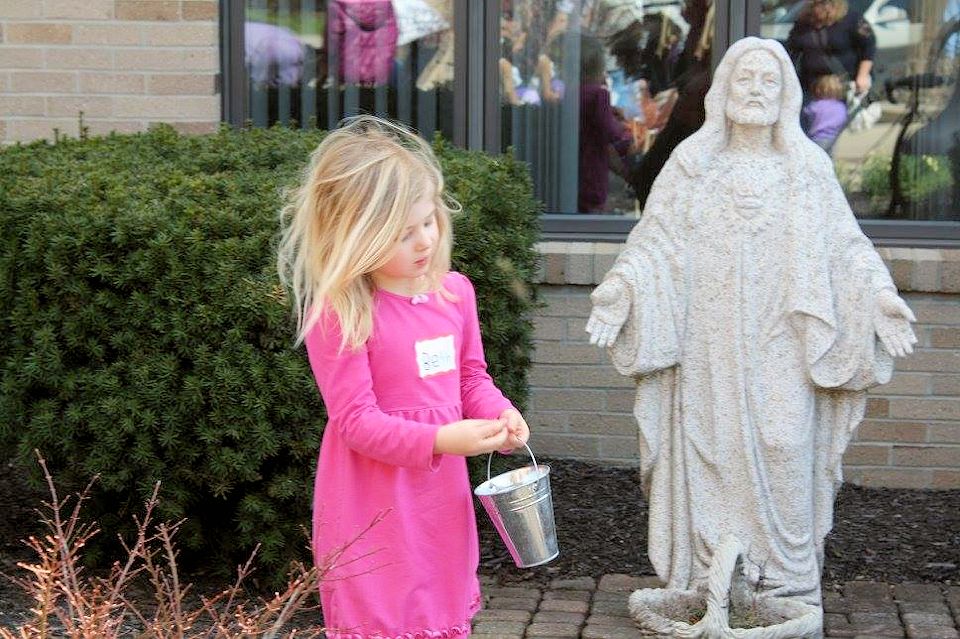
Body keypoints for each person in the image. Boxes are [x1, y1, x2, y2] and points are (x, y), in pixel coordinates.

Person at [586, 38, 916, 605]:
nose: (756, 91)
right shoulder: (693, 163)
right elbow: (654, 243)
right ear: (723, 91)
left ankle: (786, 579)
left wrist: (879, 297)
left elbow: (845, 248)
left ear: (786, 93)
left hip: (782, 336)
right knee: (708, 450)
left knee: (784, 442)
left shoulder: (806, 168)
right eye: (745, 79)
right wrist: (620, 290)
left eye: (769, 81)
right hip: (708, 341)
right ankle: (710, 578)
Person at [276, 116, 530, 638]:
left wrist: (499, 414)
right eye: (402, 233)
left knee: (439, 615)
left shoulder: (454, 294)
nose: (423, 241)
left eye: (428, 222)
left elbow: (469, 379)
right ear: (356, 234)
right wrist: (441, 438)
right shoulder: (342, 312)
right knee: (383, 618)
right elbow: (356, 422)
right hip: (371, 500)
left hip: (439, 498)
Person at [578, 35, 634, 213]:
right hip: (592, 166)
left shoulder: (573, 91)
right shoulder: (598, 95)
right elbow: (610, 131)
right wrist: (627, 133)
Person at [785, 0, 876, 98]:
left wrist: (863, 75)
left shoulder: (852, 19)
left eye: (821, 3)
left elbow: (869, 46)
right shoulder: (803, 23)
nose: (817, 8)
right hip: (812, 85)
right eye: (814, 4)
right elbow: (792, 49)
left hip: (845, 84)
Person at [802, 73, 848, 150]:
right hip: (833, 138)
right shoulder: (841, 107)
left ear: (819, 90)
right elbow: (843, 119)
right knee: (829, 158)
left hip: (817, 138)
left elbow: (805, 113)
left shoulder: (815, 106)